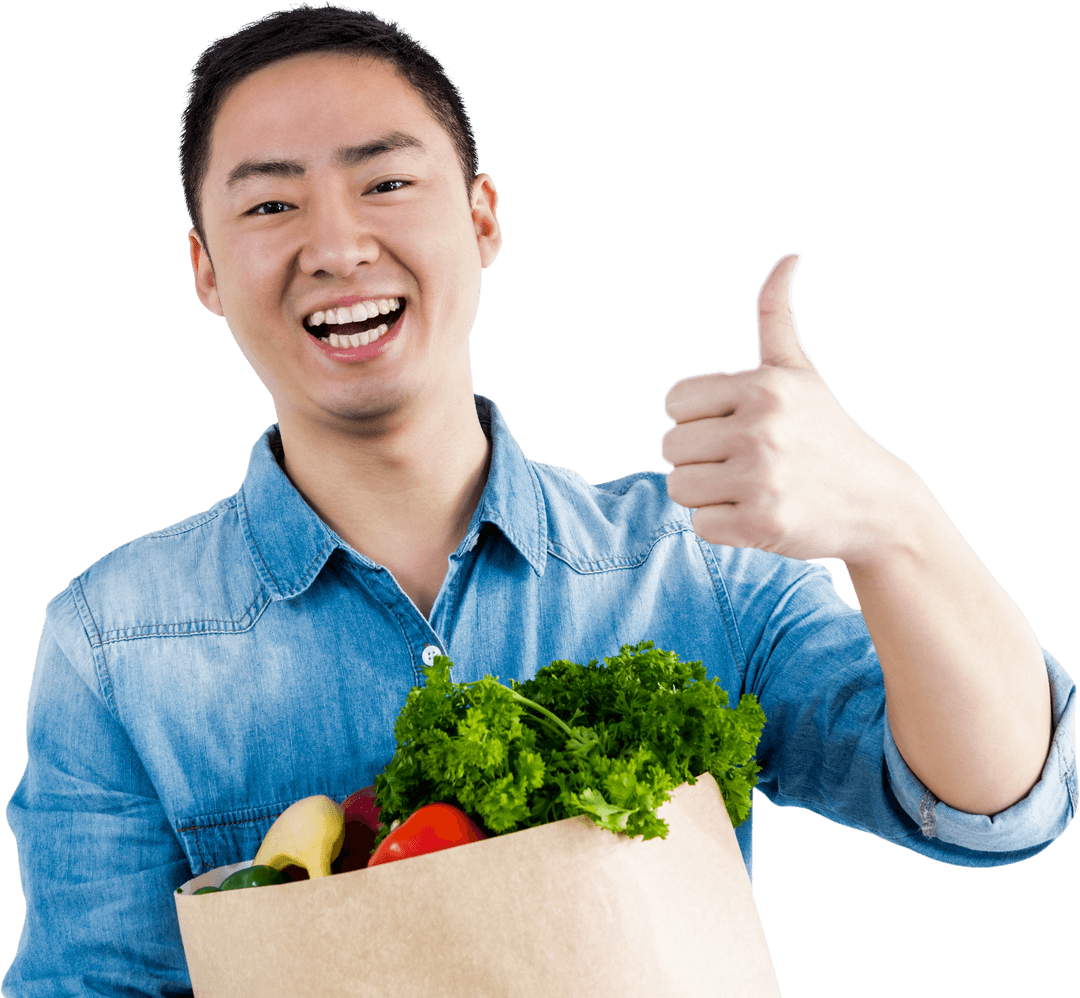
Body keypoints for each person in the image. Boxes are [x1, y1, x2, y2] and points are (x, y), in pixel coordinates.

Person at [4, 4, 1075, 994]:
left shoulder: (688, 558)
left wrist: (892, 523)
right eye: (272, 204)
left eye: (385, 183)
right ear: (205, 270)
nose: (335, 247)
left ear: (481, 220)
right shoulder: (115, 644)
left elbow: (997, 802)